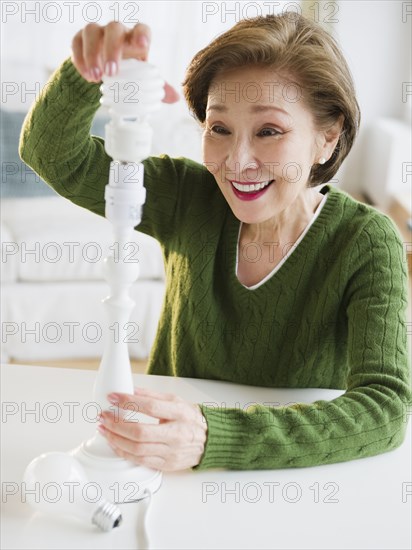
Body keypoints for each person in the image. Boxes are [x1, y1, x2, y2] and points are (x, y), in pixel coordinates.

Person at [20, 14, 411, 471]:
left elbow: (385, 408)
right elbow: (52, 154)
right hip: (164, 465)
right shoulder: (186, 196)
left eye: (269, 131)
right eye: (219, 128)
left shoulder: (365, 241)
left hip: (285, 481)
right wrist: (88, 71)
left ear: (327, 138)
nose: (237, 162)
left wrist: (214, 438)